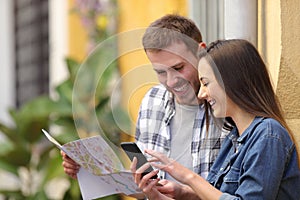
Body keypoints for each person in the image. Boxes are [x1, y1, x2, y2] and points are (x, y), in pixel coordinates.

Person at [62, 14, 227, 198]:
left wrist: (185, 193)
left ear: (201, 52)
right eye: (160, 72)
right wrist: (86, 171)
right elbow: (146, 190)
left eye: (179, 68)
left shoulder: (227, 105)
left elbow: (238, 194)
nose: (171, 82)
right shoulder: (152, 101)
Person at [132, 39, 300, 200]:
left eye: (206, 83)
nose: (201, 94)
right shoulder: (233, 138)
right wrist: (168, 195)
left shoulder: (269, 135)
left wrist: (188, 177)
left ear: (232, 80)